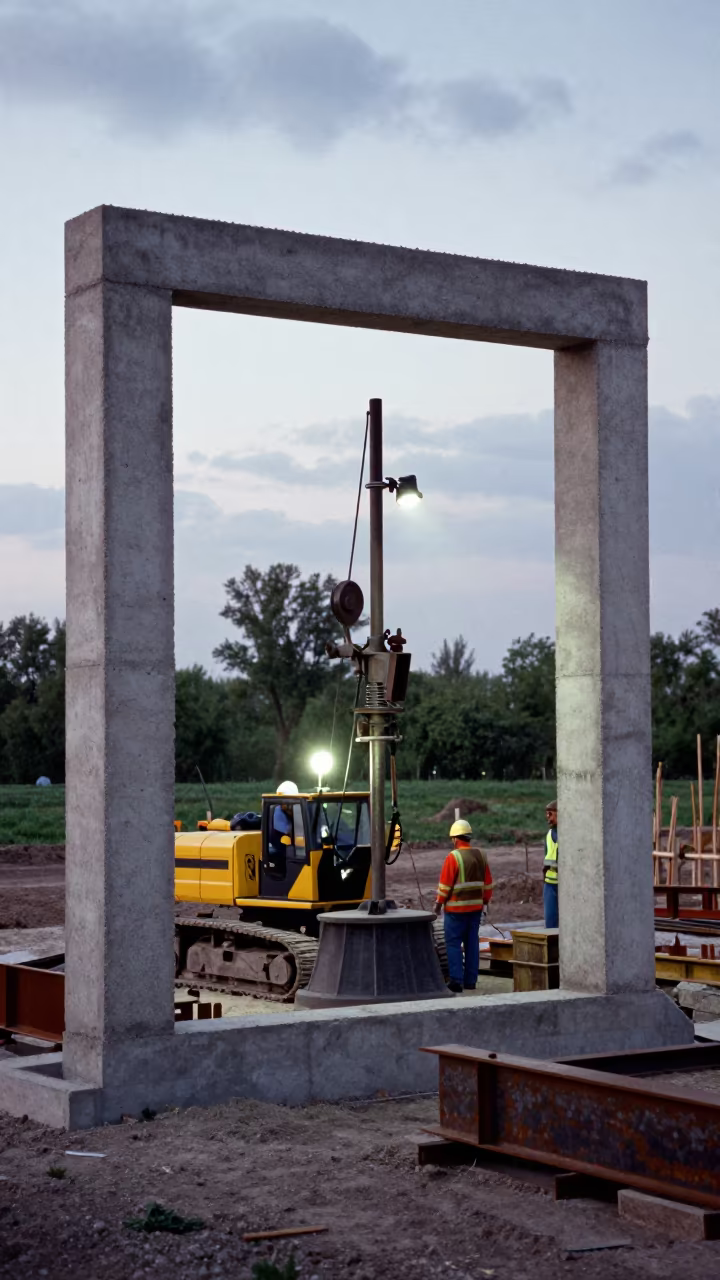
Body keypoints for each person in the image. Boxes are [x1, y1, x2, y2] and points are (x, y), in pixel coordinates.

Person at [434, 819, 493, 994]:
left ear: (454, 839)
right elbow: (488, 884)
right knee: (472, 944)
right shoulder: (481, 855)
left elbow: (445, 885)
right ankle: (470, 982)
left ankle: (456, 981)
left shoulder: (454, 857)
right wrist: (485, 902)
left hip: (455, 911)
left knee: (453, 945)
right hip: (475, 910)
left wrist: (438, 904)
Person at [543, 800, 559, 928]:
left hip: (564, 885)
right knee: (551, 923)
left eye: (550, 814)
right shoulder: (549, 834)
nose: (548, 818)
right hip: (550, 884)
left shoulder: (570, 834)